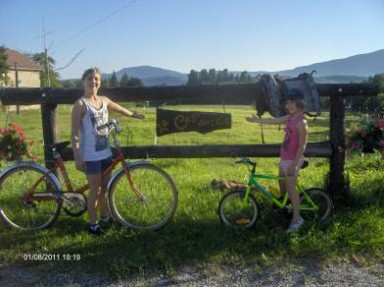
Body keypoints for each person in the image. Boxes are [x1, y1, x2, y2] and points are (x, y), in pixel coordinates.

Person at [71, 67, 144, 235]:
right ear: (83, 81)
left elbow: (118, 108)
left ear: (100, 82)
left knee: (104, 190)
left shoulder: (103, 100)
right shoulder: (80, 105)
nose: (93, 82)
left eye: (96, 79)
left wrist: (133, 114)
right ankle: (93, 225)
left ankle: (105, 219)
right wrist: (77, 156)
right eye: (89, 78)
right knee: (95, 191)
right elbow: (74, 134)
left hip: (106, 154)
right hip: (91, 156)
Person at [246, 89, 308, 233]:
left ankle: (297, 219)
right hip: (285, 158)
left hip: (293, 160)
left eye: (291, 102)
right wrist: (256, 120)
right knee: (281, 183)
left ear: (298, 103)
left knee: (292, 190)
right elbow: (273, 121)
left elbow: (302, 146)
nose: (288, 105)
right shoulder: (290, 118)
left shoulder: (301, 122)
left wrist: (294, 164)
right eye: (287, 103)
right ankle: (285, 206)